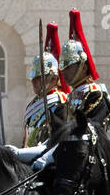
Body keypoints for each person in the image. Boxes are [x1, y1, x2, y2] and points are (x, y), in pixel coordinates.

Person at [8, 22, 70, 162]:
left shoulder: (61, 102)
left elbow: (57, 140)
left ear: (54, 79)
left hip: (49, 160)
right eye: (33, 78)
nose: (34, 82)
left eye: (39, 78)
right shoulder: (33, 103)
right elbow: (27, 137)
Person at [58, 9, 110, 129]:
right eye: (62, 67)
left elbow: (92, 128)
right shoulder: (71, 95)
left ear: (83, 68)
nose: (63, 72)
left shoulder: (94, 93)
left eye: (68, 67)